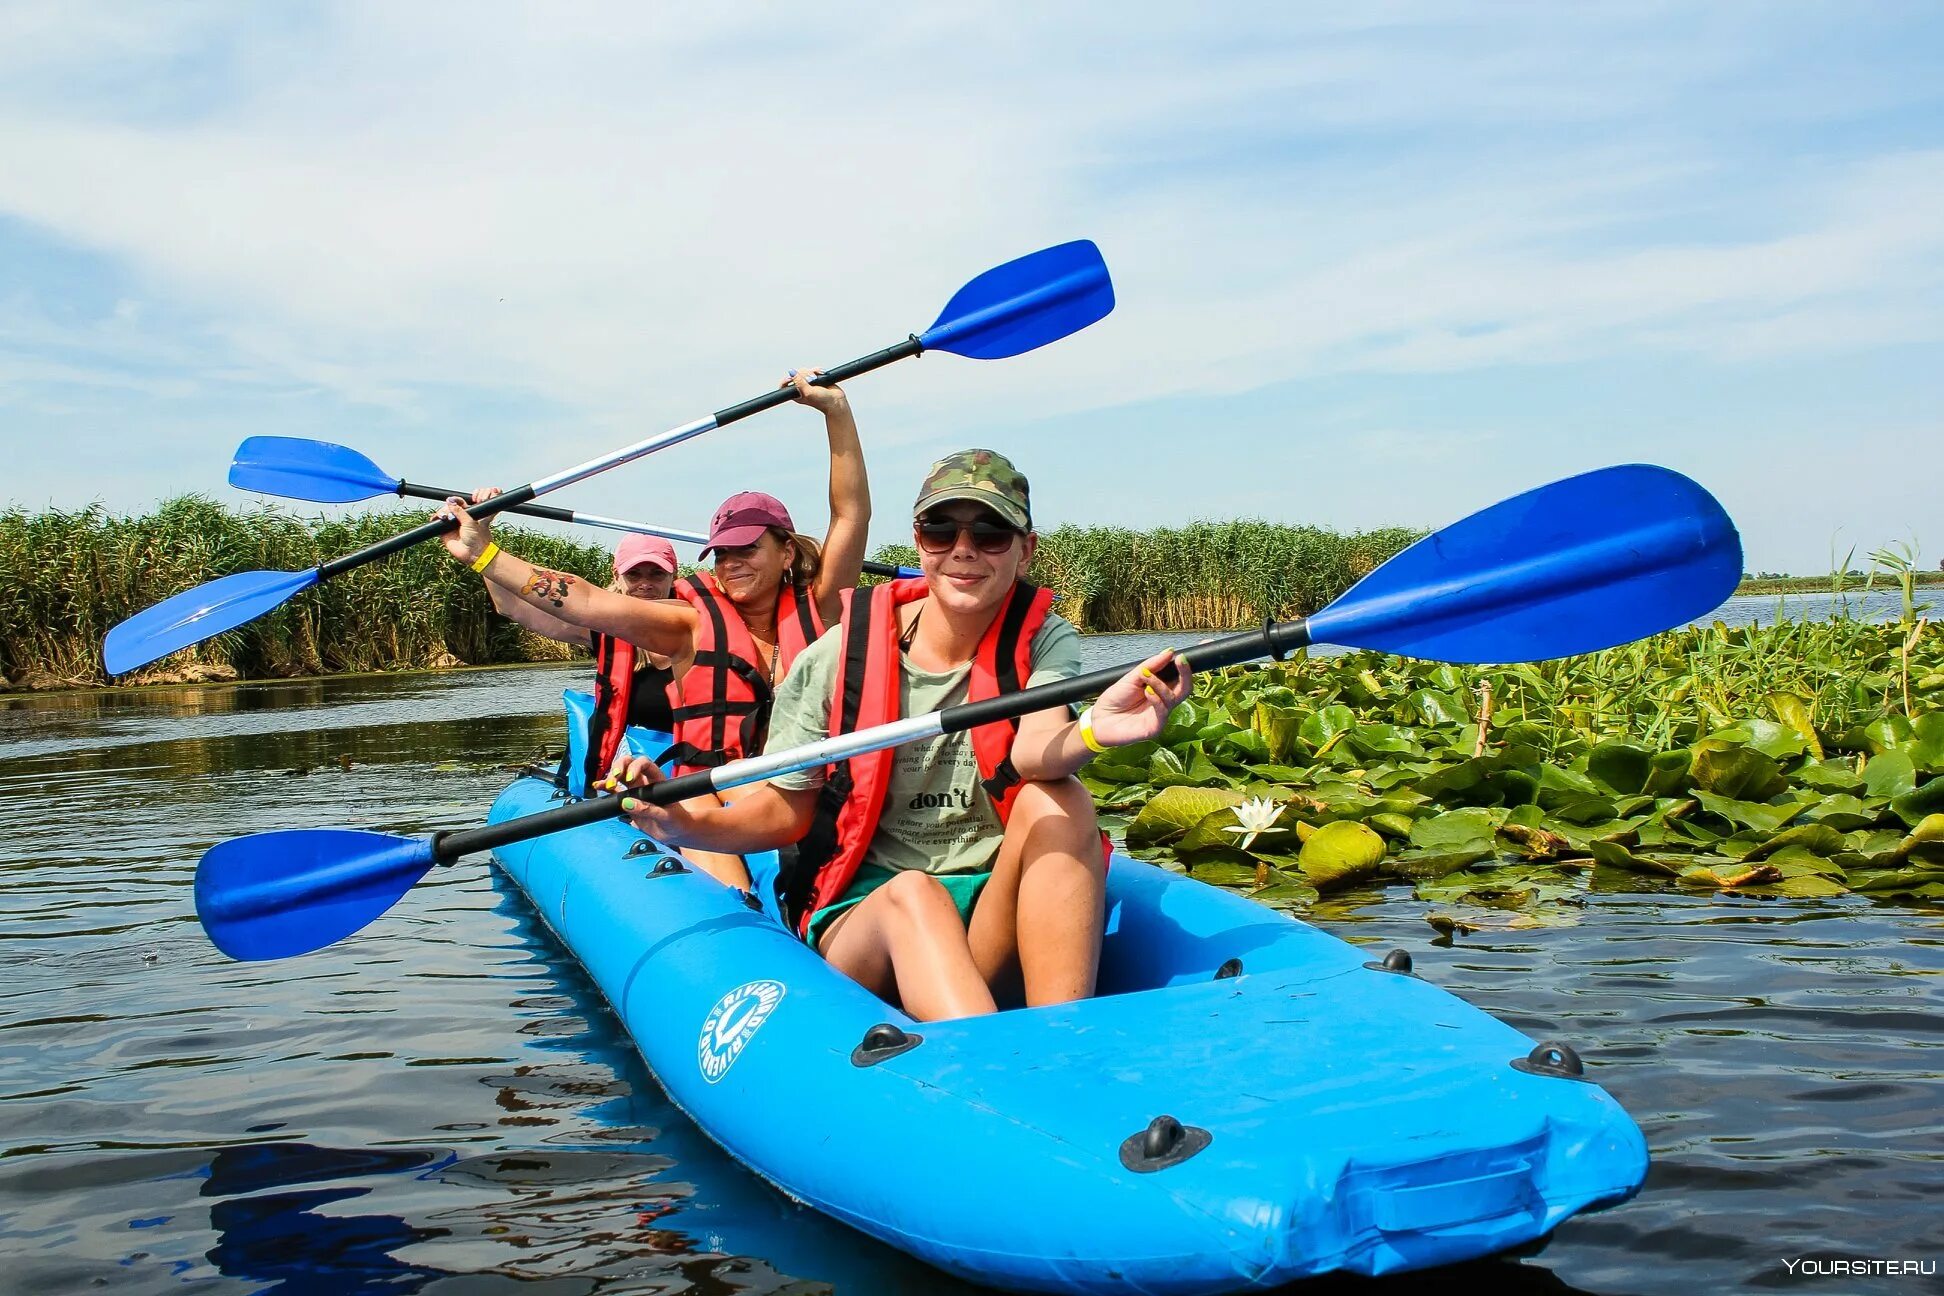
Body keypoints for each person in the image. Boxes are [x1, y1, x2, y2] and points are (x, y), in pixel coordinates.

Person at [613, 449, 1192, 1022]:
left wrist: (1093, 731)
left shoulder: (1045, 638)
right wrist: (681, 822)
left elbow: (1035, 751)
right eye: (941, 530)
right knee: (915, 894)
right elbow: (784, 815)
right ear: (920, 542)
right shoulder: (836, 658)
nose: (963, 549)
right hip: (867, 919)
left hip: (987, 910)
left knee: (1059, 797)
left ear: (1026, 549)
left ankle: (1064, 1035)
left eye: (991, 532)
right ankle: (995, 1068)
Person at [437, 367, 872, 886]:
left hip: (799, 791)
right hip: (714, 791)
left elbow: (850, 515)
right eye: (722, 553)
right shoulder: (686, 623)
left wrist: (836, 412)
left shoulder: (821, 606)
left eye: (748, 548)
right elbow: (585, 602)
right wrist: (484, 554)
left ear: (785, 551)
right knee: (701, 821)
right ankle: (738, 912)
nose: (732, 563)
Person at [462, 511, 680, 788]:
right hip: (635, 768)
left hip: (694, 767)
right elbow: (511, 606)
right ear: (617, 575)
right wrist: (483, 545)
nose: (645, 584)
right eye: (634, 574)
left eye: (657, 573)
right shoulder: (602, 628)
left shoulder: (706, 627)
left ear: (674, 575)